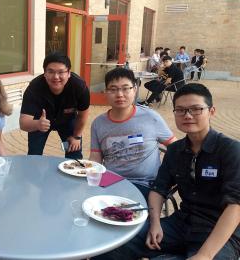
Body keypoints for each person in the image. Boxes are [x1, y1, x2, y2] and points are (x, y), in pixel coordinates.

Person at [95, 83, 240, 260]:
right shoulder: (176, 150)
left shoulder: (230, 150)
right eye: (180, 110)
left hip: (218, 233)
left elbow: (235, 206)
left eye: (195, 109)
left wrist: (205, 255)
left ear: (211, 111)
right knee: (112, 245)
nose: (187, 115)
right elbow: (158, 189)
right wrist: (155, 223)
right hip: (180, 224)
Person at [89, 68, 175, 199]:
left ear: (134, 90)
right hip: (111, 181)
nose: (119, 94)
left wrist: (166, 176)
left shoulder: (151, 117)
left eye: (125, 88)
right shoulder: (98, 123)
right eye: (113, 89)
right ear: (105, 92)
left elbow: (175, 147)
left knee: (121, 215)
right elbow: (95, 157)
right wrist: (91, 182)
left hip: (145, 184)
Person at [20, 52, 90, 159]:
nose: (56, 77)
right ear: (45, 73)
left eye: (61, 72)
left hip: (67, 120)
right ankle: (34, 174)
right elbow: (23, 123)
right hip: (40, 121)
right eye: (51, 72)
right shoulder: (34, 88)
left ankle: (73, 172)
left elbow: (83, 114)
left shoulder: (79, 87)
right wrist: (37, 124)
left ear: (69, 73)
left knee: (74, 153)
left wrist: (76, 136)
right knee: (34, 154)